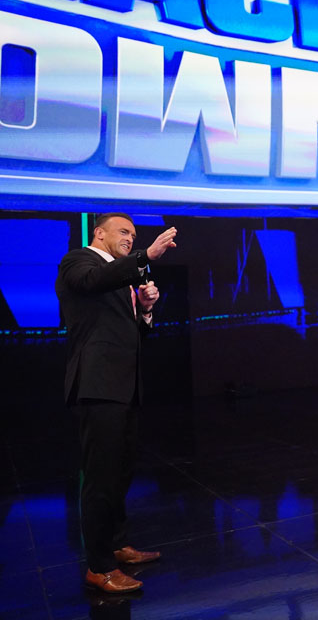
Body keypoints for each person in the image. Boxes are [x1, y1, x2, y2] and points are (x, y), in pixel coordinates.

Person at [56, 213, 178, 594]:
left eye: (134, 235)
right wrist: (146, 256)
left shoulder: (122, 276)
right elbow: (92, 282)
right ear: (99, 233)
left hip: (124, 387)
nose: (130, 238)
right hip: (98, 385)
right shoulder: (78, 261)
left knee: (120, 474)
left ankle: (117, 544)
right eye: (123, 232)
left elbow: (133, 334)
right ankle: (100, 567)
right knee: (100, 478)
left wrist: (145, 308)